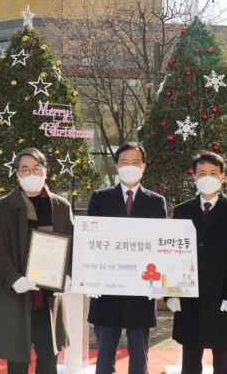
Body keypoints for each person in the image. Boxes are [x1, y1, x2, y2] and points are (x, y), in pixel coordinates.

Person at [0, 147, 72, 374]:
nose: (31, 174)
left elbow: (71, 244)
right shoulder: (0, 208)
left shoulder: (61, 206)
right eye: (25, 169)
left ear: (45, 171)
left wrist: (68, 274)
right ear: (17, 174)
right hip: (17, 294)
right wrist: (14, 279)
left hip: (50, 296)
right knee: (17, 360)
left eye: (36, 168)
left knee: (48, 357)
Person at [167, 151, 227, 374]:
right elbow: (173, 254)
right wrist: (171, 292)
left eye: (213, 173)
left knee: (222, 358)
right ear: (194, 177)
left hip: (223, 295)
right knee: (190, 355)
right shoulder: (182, 210)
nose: (207, 177)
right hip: (190, 295)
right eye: (202, 173)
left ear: (222, 176)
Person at [86, 142, 167, 374]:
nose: (129, 166)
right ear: (116, 166)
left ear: (143, 167)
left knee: (138, 358)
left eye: (135, 162)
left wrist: (160, 282)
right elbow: (91, 240)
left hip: (141, 288)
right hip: (106, 289)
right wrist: (90, 276)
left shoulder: (155, 201)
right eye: (124, 162)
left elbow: (161, 243)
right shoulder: (100, 197)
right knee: (103, 358)